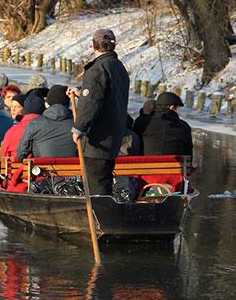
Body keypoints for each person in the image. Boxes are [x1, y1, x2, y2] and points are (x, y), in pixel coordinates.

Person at [68, 28, 130, 195]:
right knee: (104, 180)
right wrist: (81, 92)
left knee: (96, 185)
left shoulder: (97, 68)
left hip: (98, 140)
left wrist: (79, 128)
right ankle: (105, 213)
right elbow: (104, 94)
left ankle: (100, 218)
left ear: (94, 45)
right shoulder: (119, 67)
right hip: (113, 137)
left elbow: (92, 102)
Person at [0, 94, 45, 176]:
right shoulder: (50, 129)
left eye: (17, 106)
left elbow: (0, 157)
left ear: (25, 110)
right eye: (12, 106)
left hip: (17, 179)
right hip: (46, 178)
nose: (12, 109)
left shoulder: (12, 131)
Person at [16, 85, 78, 160]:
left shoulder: (34, 124)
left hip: (44, 170)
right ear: (69, 102)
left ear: (48, 102)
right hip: (74, 169)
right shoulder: (78, 124)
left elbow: (21, 154)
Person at [133, 91, 193, 157]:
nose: (179, 112)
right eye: (178, 108)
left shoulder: (142, 122)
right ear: (172, 107)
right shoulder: (184, 126)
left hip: (145, 166)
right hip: (174, 166)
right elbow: (188, 155)